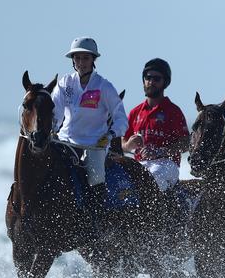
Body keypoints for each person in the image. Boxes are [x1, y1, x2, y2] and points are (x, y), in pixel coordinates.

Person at [51, 36, 128, 220]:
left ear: (93, 60)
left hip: (94, 144)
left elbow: (121, 119)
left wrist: (110, 135)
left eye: (85, 58)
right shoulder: (65, 83)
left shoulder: (104, 86)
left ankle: (98, 222)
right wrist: (52, 129)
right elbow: (56, 112)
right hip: (65, 141)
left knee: (95, 178)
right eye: (77, 58)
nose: (81, 62)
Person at [122, 58, 189, 192]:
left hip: (166, 164)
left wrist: (160, 152)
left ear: (165, 82)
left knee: (151, 179)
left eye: (156, 79)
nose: (151, 82)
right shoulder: (135, 112)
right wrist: (129, 145)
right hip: (139, 164)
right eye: (148, 78)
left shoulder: (173, 111)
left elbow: (186, 143)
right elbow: (122, 143)